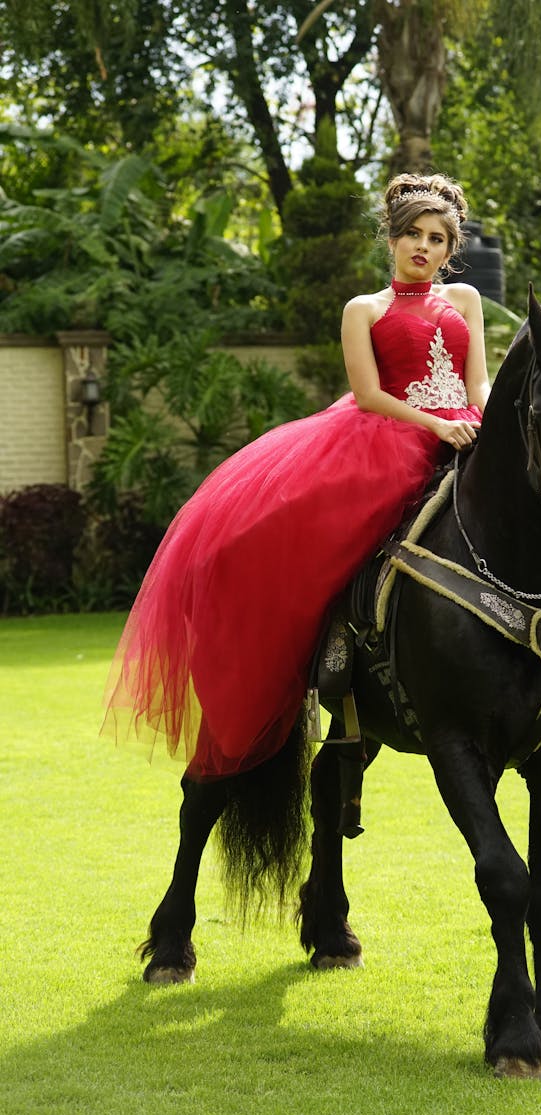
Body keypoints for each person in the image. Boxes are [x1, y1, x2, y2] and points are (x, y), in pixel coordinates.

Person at [102, 173, 491, 778]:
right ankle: (333, 652)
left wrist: (484, 419)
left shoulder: (465, 301)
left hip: (465, 428)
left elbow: (478, 382)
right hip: (392, 435)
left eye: (437, 238)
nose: (424, 247)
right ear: (390, 240)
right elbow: (366, 395)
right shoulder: (364, 309)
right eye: (412, 234)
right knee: (326, 535)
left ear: (450, 248)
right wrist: (435, 427)